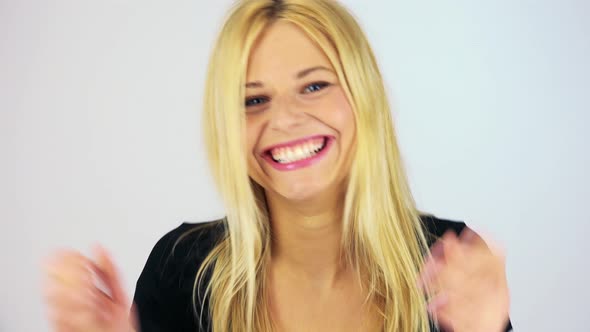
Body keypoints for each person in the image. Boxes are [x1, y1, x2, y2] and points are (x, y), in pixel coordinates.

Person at [42, 0, 512, 331]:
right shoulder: (183, 271)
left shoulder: (447, 264)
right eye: (254, 99)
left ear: (363, 97)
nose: (284, 119)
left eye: (314, 86)